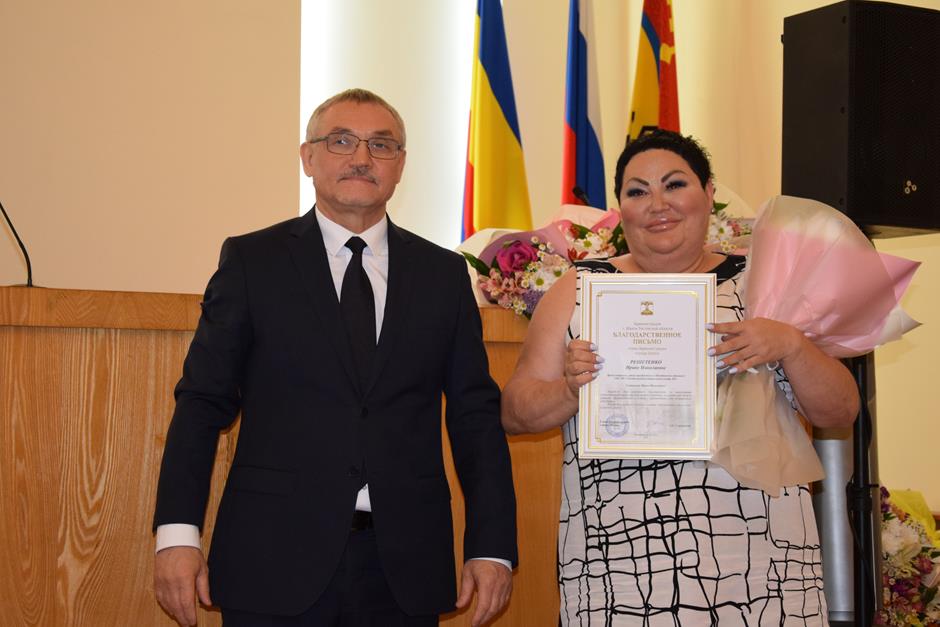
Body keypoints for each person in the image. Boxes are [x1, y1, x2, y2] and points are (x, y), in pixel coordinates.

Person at [153, 88, 517, 627]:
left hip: (405, 568)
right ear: (308, 157)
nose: (362, 158)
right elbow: (202, 403)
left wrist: (492, 547)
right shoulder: (253, 261)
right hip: (271, 558)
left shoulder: (442, 274)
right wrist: (177, 535)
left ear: (400, 166)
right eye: (341, 141)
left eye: (381, 145)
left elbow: (474, 417)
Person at [501, 130, 859, 625]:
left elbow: (840, 411)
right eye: (638, 191)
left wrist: (792, 345)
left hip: (761, 555)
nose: (658, 204)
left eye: (675, 184)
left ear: (709, 193)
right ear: (621, 208)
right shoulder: (581, 289)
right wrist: (569, 389)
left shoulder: (765, 282)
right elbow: (514, 411)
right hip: (619, 559)